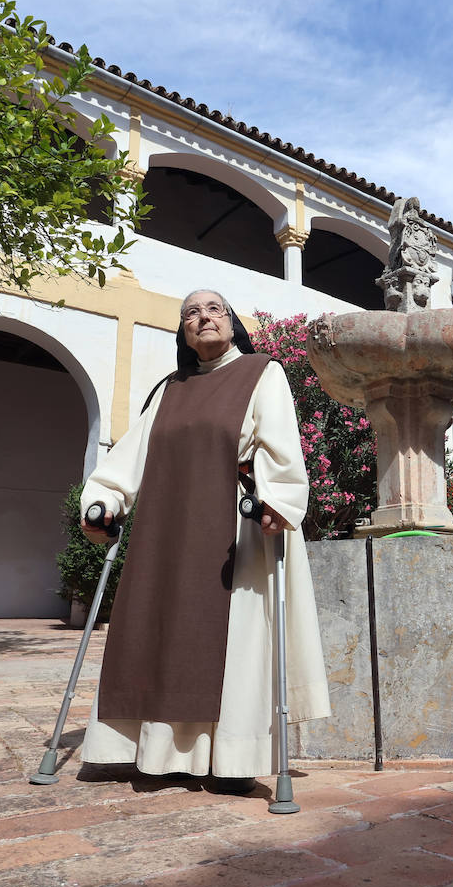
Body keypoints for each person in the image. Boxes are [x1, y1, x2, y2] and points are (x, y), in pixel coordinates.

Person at [77, 289, 331, 793]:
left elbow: (281, 447)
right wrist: (103, 500)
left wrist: (278, 500)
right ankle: (161, 754)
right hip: (165, 534)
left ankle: (233, 759)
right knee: (161, 635)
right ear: (183, 332)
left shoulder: (262, 372)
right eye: (190, 313)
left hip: (235, 530)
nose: (202, 317)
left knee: (228, 647)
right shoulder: (169, 389)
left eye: (213, 308)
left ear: (232, 322)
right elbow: (131, 457)